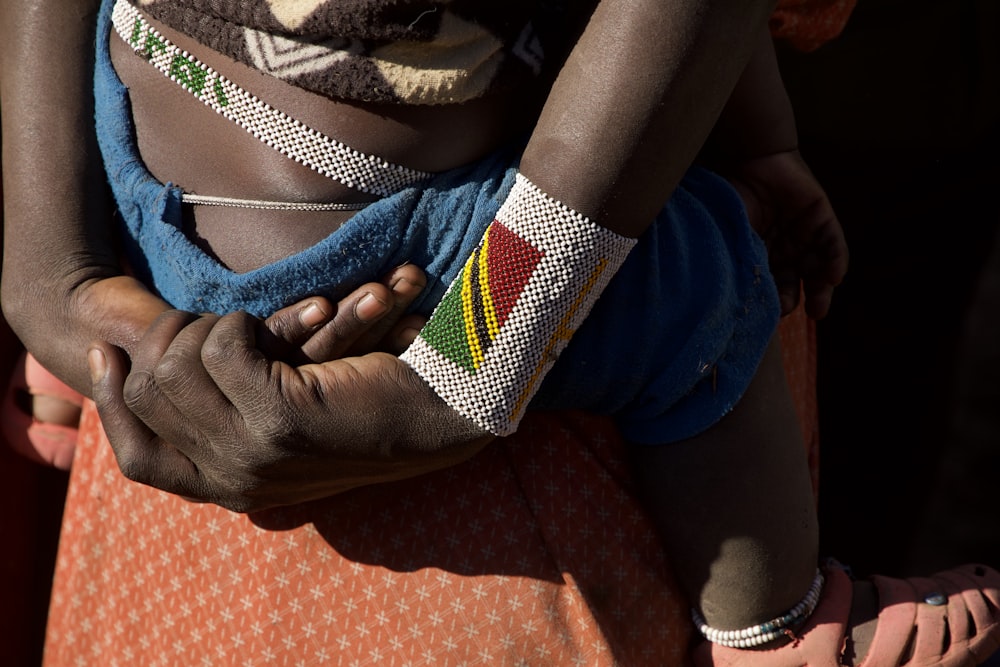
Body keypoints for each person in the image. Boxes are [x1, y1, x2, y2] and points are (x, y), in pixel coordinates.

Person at [2, 1, 998, 666]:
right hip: (442, 281)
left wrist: (63, 278)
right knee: (703, 267)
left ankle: (69, 377)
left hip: (139, 205)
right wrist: (471, 366)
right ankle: (774, 626)